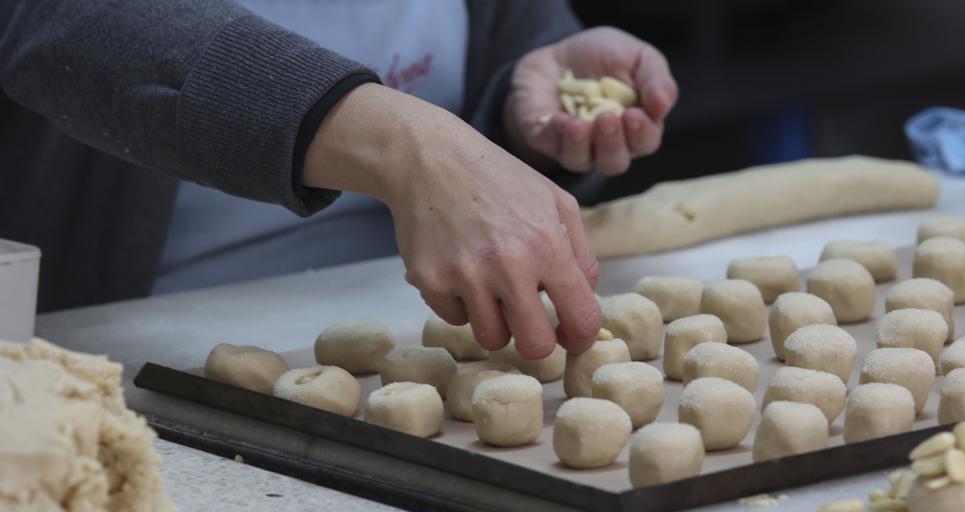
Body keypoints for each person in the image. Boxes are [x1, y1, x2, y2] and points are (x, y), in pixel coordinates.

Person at [0, 0, 677, 359]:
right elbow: (65, 22)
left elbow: (520, 41)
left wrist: (529, 118)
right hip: (156, 346)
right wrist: (409, 147)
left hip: (433, 339)